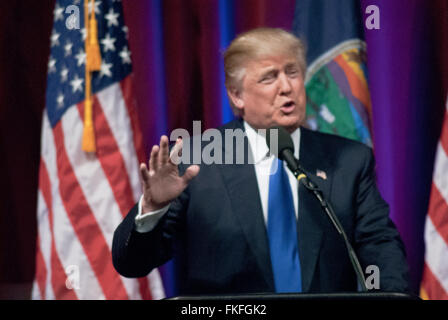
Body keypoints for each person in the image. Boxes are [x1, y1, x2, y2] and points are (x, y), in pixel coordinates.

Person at [112, 28, 410, 295]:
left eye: (292, 73)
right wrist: (153, 209)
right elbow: (132, 264)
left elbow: (380, 245)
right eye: (269, 77)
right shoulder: (196, 160)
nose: (286, 87)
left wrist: (390, 296)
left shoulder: (348, 160)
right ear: (237, 95)